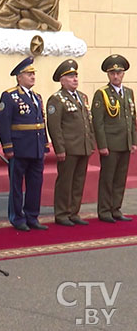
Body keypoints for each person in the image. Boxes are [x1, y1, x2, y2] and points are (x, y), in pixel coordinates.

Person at [0, 57, 49, 232]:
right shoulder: (10, 96)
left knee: (36, 183)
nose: (33, 77)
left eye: (33, 73)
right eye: (29, 74)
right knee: (17, 186)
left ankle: (32, 216)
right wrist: (7, 146)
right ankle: (17, 217)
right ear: (19, 77)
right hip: (19, 148)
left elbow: (41, 121)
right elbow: (3, 123)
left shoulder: (37, 97)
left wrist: (45, 143)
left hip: (36, 147)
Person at [46, 59, 95, 226]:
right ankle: (62, 213)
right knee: (65, 182)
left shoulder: (82, 97)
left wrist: (91, 142)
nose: (75, 79)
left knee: (78, 181)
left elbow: (88, 121)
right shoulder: (56, 99)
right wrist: (59, 148)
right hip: (68, 147)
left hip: (83, 146)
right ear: (62, 80)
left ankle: (74, 211)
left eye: (76, 76)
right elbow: (54, 126)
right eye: (70, 76)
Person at [91, 54, 136, 223]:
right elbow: (98, 122)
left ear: (123, 74)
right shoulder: (102, 94)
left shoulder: (129, 93)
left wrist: (133, 142)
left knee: (120, 179)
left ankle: (116, 208)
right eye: (112, 73)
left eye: (119, 72)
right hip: (110, 144)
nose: (116, 76)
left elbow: (131, 118)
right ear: (108, 75)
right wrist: (102, 145)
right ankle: (104, 211)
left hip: (124, 144)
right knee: (107, 179)